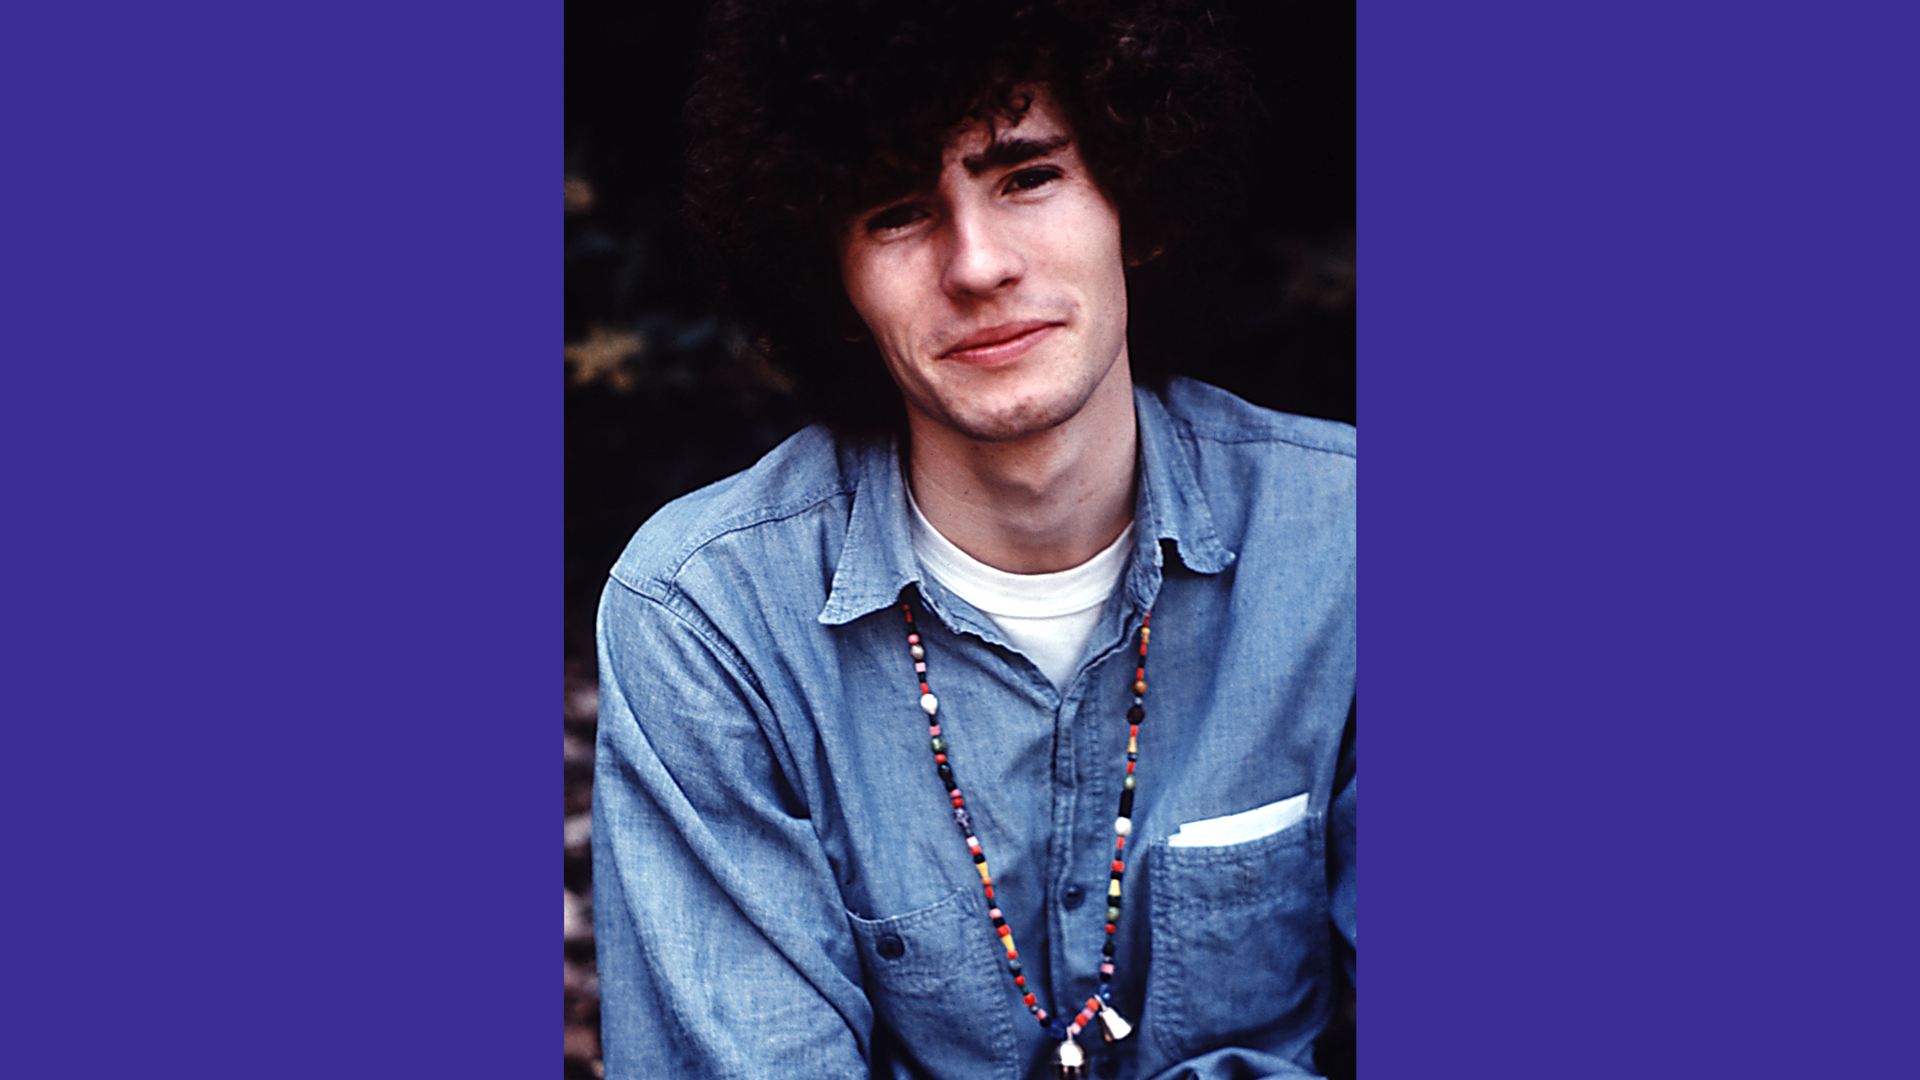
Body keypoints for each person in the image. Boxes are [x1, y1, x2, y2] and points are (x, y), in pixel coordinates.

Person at [590, 2, 1354, 1077]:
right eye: (897, 211)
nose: (978, 264)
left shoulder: (1353, 550)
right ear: (832, 281)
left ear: (1136, 201)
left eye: (1026, 176)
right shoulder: (706, 617)